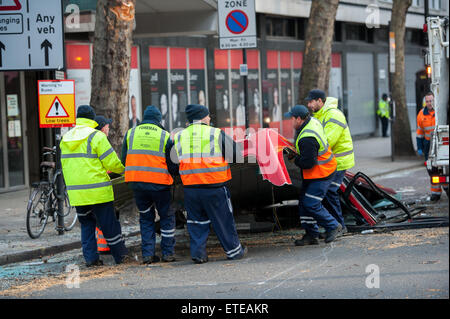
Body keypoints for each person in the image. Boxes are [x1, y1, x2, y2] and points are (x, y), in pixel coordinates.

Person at [174, 104, 246, 263]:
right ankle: (234, 251)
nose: (210, 118)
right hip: (214, 186)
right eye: (208, 115)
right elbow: (235, 154)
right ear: (202, 117)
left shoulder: (179, 136)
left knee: (196, 222)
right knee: (223, 220)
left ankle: (198, 254)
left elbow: (173, 163)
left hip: (191, 188)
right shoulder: (215, 133)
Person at [60, 105, 129, 267]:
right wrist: (125, 171)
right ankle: (121, 256)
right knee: (109, 224)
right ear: (91, 119)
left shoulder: (66, 137)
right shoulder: (96, 136)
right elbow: (111, 162)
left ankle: (91, 259)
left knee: (86, 225)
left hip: (77, 193)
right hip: (98, 191)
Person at [122, 106, 179, 264]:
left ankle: (147, 255)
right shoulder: (165, 136)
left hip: (138, 185)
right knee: (166, 217)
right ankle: (167, 253)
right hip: (160, 185)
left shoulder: (130, 134)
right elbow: (173, 163)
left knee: (146, 218)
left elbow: (123, 160)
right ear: (159, 120)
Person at [284, 104, 342, 246]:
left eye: (291, 118)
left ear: (299, 119)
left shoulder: (307, 137)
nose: (289, 122)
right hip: (317, 172)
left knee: (311, 203)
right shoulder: (311, 122)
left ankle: (333, 226)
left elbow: (308, 163)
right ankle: (311, 234)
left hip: (322, 173)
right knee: (304, 203)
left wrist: (293, 158)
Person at [306, 89, 355, 235]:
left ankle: (339, 226)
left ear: (320, 101)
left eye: (311, 101)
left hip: (338, 161)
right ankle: (335, 225)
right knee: (327, 192)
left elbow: (326, 141)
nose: (309, 105)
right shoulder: (319, 115)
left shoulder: (333, 115)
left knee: (329, 192)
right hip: (330, 161)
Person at [416, 92, 448, 201]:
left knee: (443, 168)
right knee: (432, 170)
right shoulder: (421, 114)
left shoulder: (440, 112)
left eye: (431, 101)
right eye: (428, 101)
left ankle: (446, 187)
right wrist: (419, 147)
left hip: (440, 143)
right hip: (428, 145)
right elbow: (419, 132)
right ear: (425, 102)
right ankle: (436, 193)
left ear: (435, 101)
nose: (429, 103)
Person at [93, 115, 114, 255]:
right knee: (104, 216)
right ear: (102, 127)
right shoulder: (101, 140)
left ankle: (101, 246)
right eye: (107, 125)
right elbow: (109, 164)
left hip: (88, 188)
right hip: (101, 186)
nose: (109, 128)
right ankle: (105, 245)